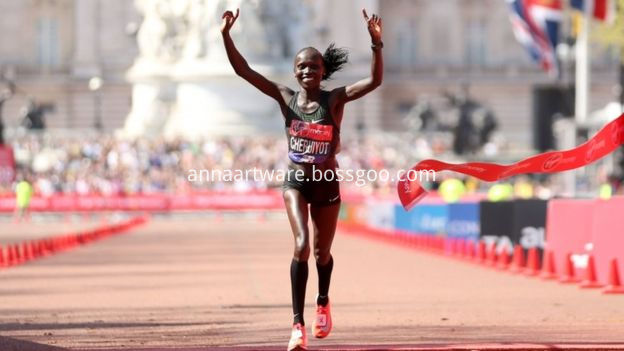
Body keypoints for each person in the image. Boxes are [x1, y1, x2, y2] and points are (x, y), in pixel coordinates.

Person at [221, 8, 383, 351]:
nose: (308, 71)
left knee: (323, 253)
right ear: (295, 73)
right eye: (302, 67)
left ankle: (322, 302)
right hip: (295, 182)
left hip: (327, 183)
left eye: (314, 66)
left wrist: (376, 44)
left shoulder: (334, 99)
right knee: (301, 246)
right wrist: (226, 36)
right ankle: (297, 326)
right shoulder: (285, 98)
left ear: (323, 71)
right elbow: (244, 71)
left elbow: (373, 83)